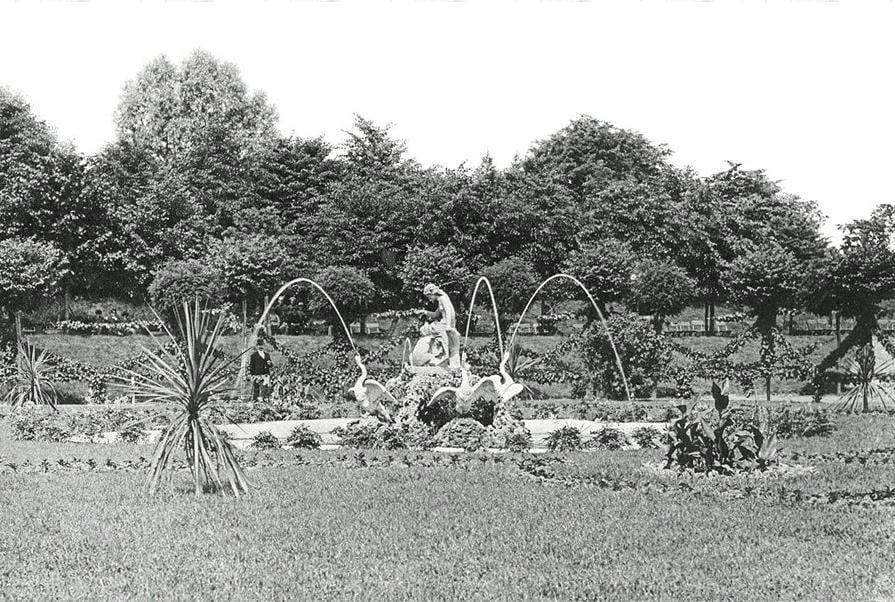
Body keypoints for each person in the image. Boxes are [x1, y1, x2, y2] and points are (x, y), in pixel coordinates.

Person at [422, 283, 461, 370]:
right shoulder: (440, 300)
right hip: (444, 324)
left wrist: (448, 326)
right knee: (431, 328)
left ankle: (442, 356)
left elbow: (448, 311)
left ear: (433, 293)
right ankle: (439, 354)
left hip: (446, 325)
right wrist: (424, 312)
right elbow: (436, 314)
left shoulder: (443, 299)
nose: (429, 299)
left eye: (429, 296)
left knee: (430, 328)